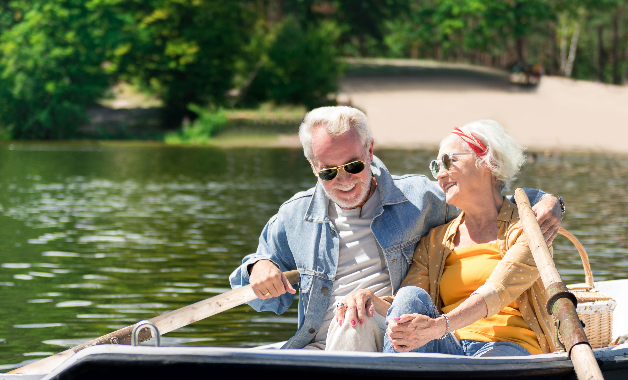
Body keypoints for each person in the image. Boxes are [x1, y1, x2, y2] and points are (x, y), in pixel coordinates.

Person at [230, 106, 562, 351]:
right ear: (313, 168)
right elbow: (260, 289)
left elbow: (493, 201)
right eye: (328, 172)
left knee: (355, 319)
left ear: (370, 151)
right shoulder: (294, 216)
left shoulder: (420, 198)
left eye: (353, 166)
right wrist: (259, 268)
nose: (343, 180)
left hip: (378, 333)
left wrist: (550, 202)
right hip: (319, 345)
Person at [334, 119, 556, 357]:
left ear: (488, 162)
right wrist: (369, 299)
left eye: (449, 161)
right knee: (409, 295)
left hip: (507, 346)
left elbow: (497, 291)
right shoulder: (436, 241)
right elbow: (402, 307)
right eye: (436, 166)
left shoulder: (528, 231)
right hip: (449, 345)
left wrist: (440, 326)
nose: (440, 174)